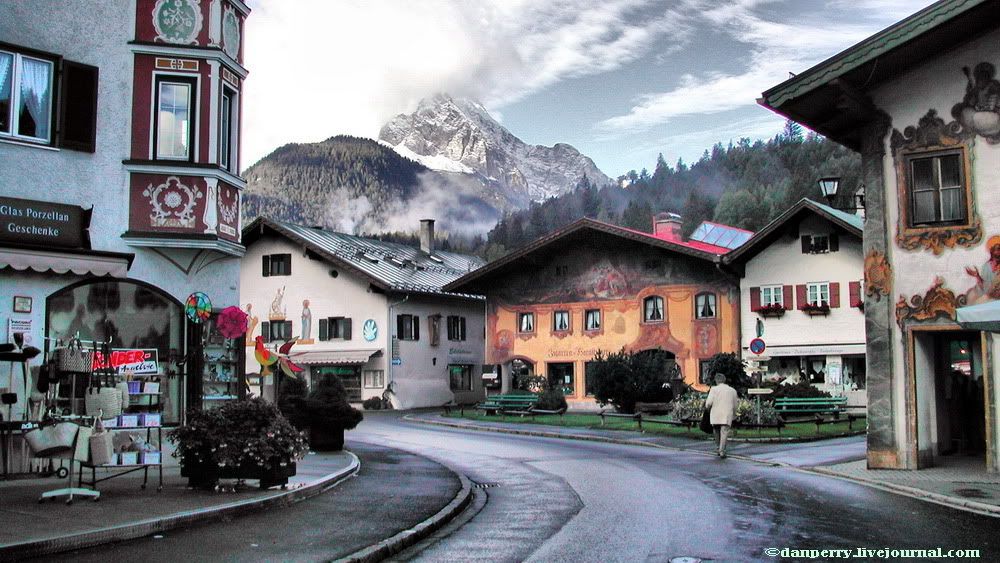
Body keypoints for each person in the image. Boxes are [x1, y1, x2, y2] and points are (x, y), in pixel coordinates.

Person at [705, 373, 739, 458]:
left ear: (716, 381)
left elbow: (708, 403)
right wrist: (734, 413)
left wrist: (707, 408)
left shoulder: (713, 389)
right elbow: (735, 405)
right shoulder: (732, 390)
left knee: (716, 431)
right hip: (727, 414)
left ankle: (718, 447)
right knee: (724, 432)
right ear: (724, 380)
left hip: (715, 414)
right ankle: (722, 450)